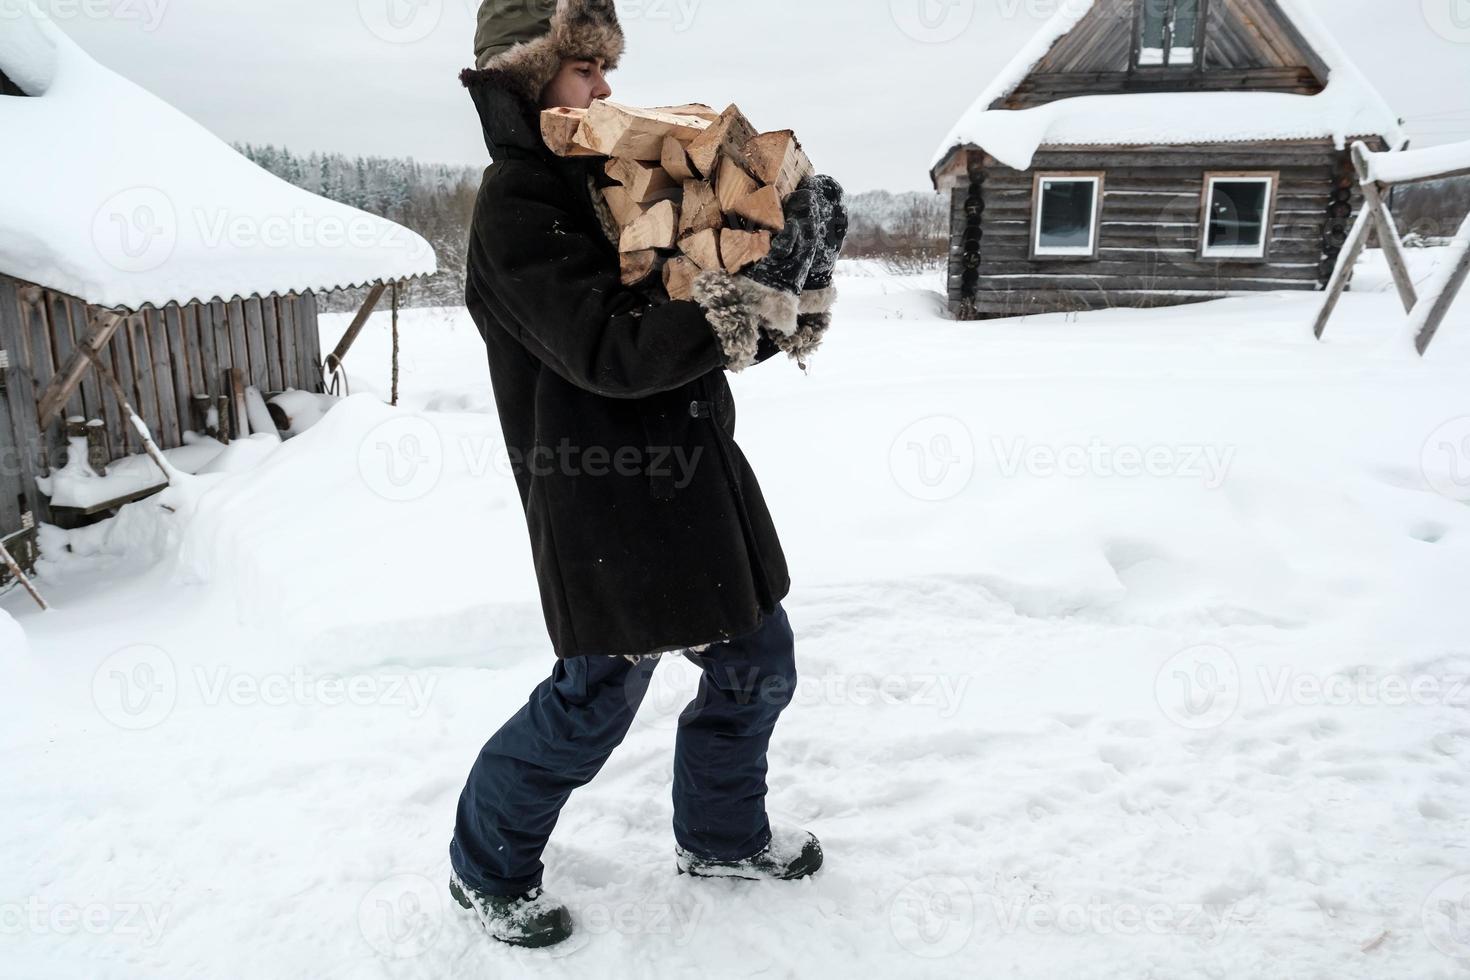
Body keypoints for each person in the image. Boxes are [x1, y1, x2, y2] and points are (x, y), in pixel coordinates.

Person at [449, 0, 848, 948]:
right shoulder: (521, 203)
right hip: (605, 503)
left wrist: (788, 260)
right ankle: (485, 869)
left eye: (603, 67)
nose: (605, 87)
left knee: (755, 664)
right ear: (524, 75)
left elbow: (697, 305)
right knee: (592, 701)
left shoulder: (620, 179)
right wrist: (739, 304)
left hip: (694, 477)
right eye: (585, 69)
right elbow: (606, 349)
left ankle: (721, 836)